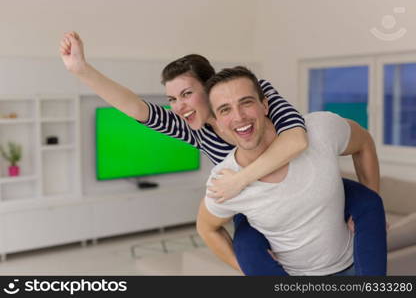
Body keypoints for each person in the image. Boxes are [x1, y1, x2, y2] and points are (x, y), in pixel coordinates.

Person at [59, 32, 386, 275]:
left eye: (187, 94)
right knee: (246, 248)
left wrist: (241, 179)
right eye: (172, 99)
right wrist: (81, 70)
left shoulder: (260, 95)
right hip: (249, 202)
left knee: (369, 202)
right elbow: (136, 108)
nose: (180, 106)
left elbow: (297, 140)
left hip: (294, 181)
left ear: (211, 88)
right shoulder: (193, 127)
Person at [197, 66, 387, 275]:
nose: (239, 116)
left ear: (265, 105)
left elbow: (364, 142)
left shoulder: (320, 129)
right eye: (225, 110)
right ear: (218, 124)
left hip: (352, 267)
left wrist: (370, 211)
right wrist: (245, 268)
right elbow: (206, 228)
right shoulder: (224, 181)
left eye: (246, 102)